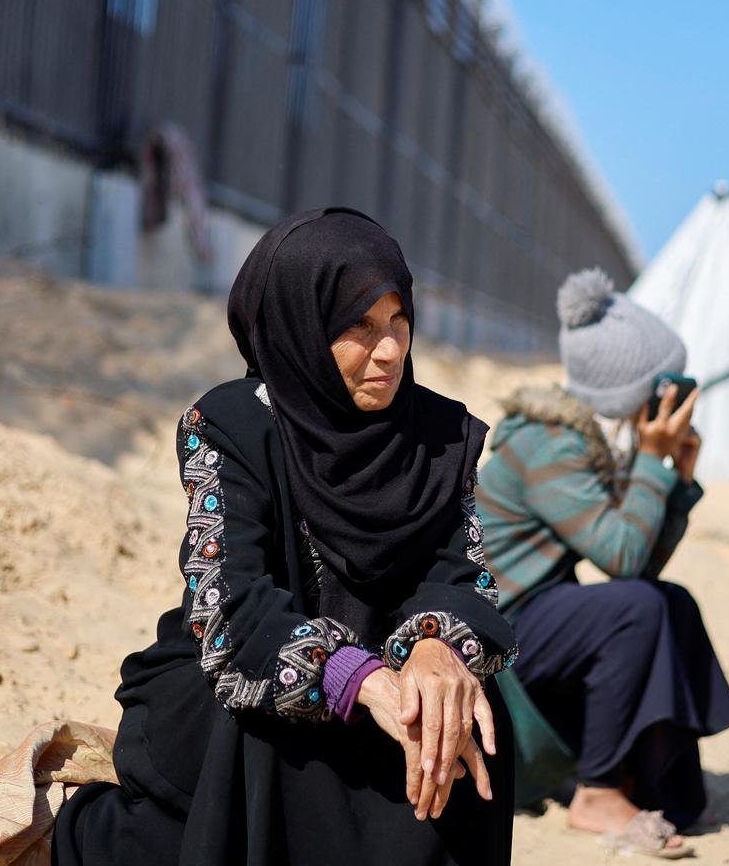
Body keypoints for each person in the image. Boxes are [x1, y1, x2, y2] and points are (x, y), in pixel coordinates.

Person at [53, 209, 518, 866]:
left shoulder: (440, 437)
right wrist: (359, 681)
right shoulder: (231, 425)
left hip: (389, 696)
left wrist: (435, 651)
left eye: (398, 321)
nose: (389, 350)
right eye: (358, 326)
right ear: (300, 325)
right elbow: (231, 605)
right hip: (233, 684)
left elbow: (461, 574)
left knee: (461, 716)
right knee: (277, 739)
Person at [475, 268, 729, 859]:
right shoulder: (548, 440)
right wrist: (651, 458)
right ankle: (596, 793)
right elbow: (622, 561)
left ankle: (654, 782)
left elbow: (639, 567)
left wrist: (678, 480)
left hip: (536, 616)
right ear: (632, 388)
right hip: (496, 633)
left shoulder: (584, 440)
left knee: (668, 600)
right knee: (637, 607)